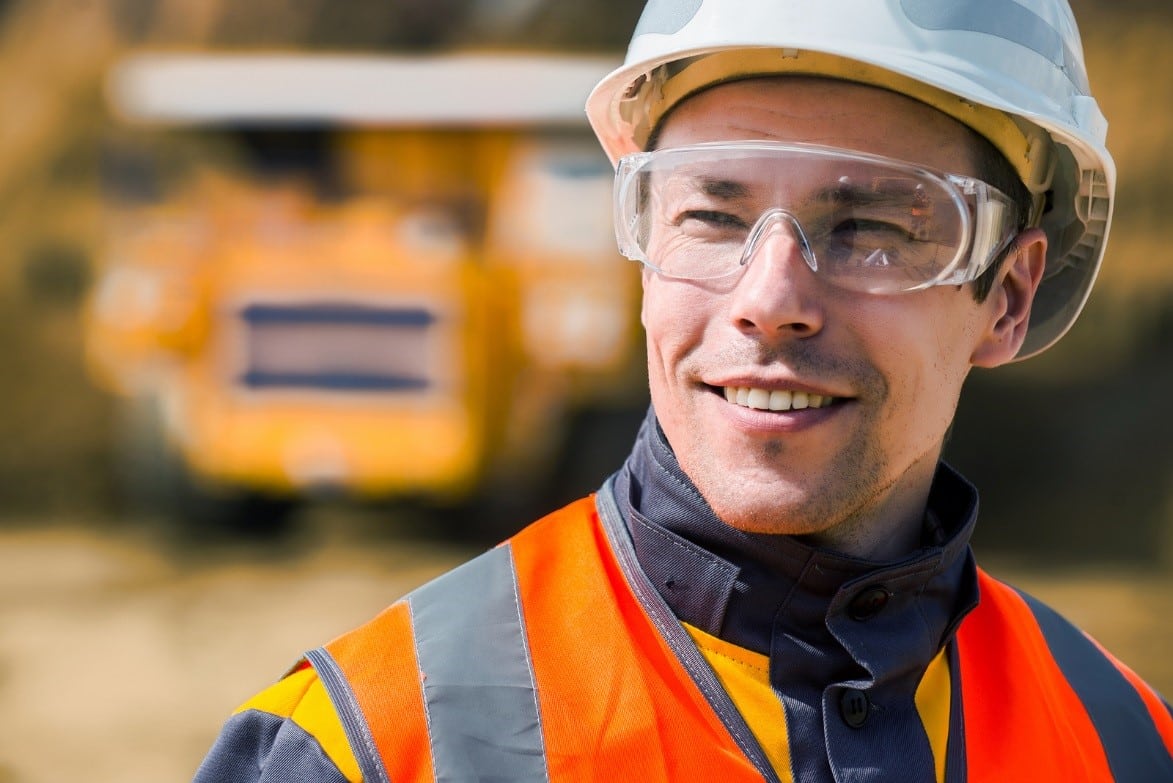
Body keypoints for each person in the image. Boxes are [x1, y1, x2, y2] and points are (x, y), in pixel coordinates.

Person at [194, 1, 1173, 781]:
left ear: (1007, 295)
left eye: (874, 224)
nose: (769, 300)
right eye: (711, 215)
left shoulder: (1124, 743)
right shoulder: (368, 746)